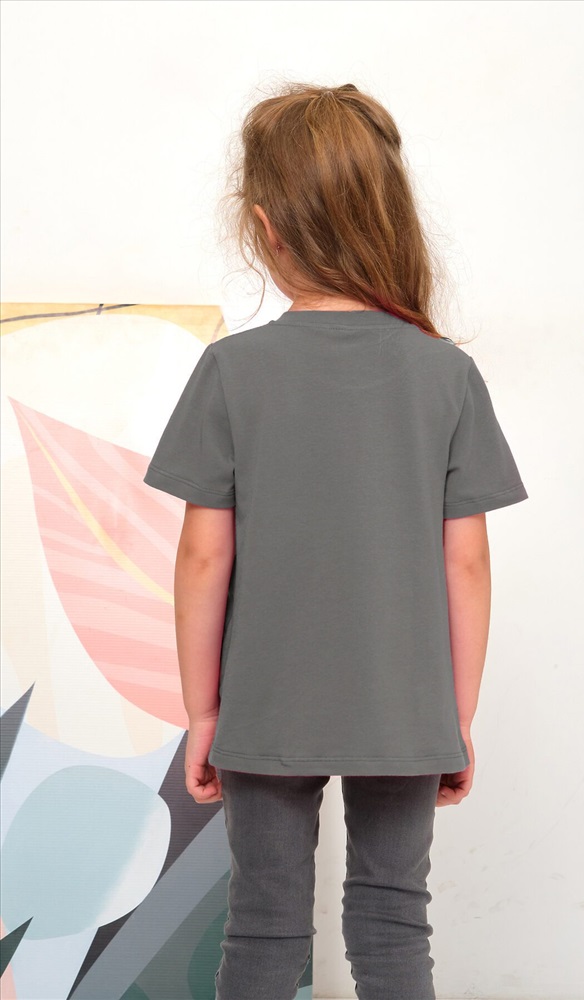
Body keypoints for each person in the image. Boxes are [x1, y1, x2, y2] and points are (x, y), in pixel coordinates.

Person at [143, 82, 528, 1000]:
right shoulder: (445, 374)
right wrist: (453, 718)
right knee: (394, 924)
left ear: (266, 227)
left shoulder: (231, 370)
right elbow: (466, 562)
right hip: (405, 706)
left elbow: (203, 557)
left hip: (266, 701)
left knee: (262, 926)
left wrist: (205, 712)